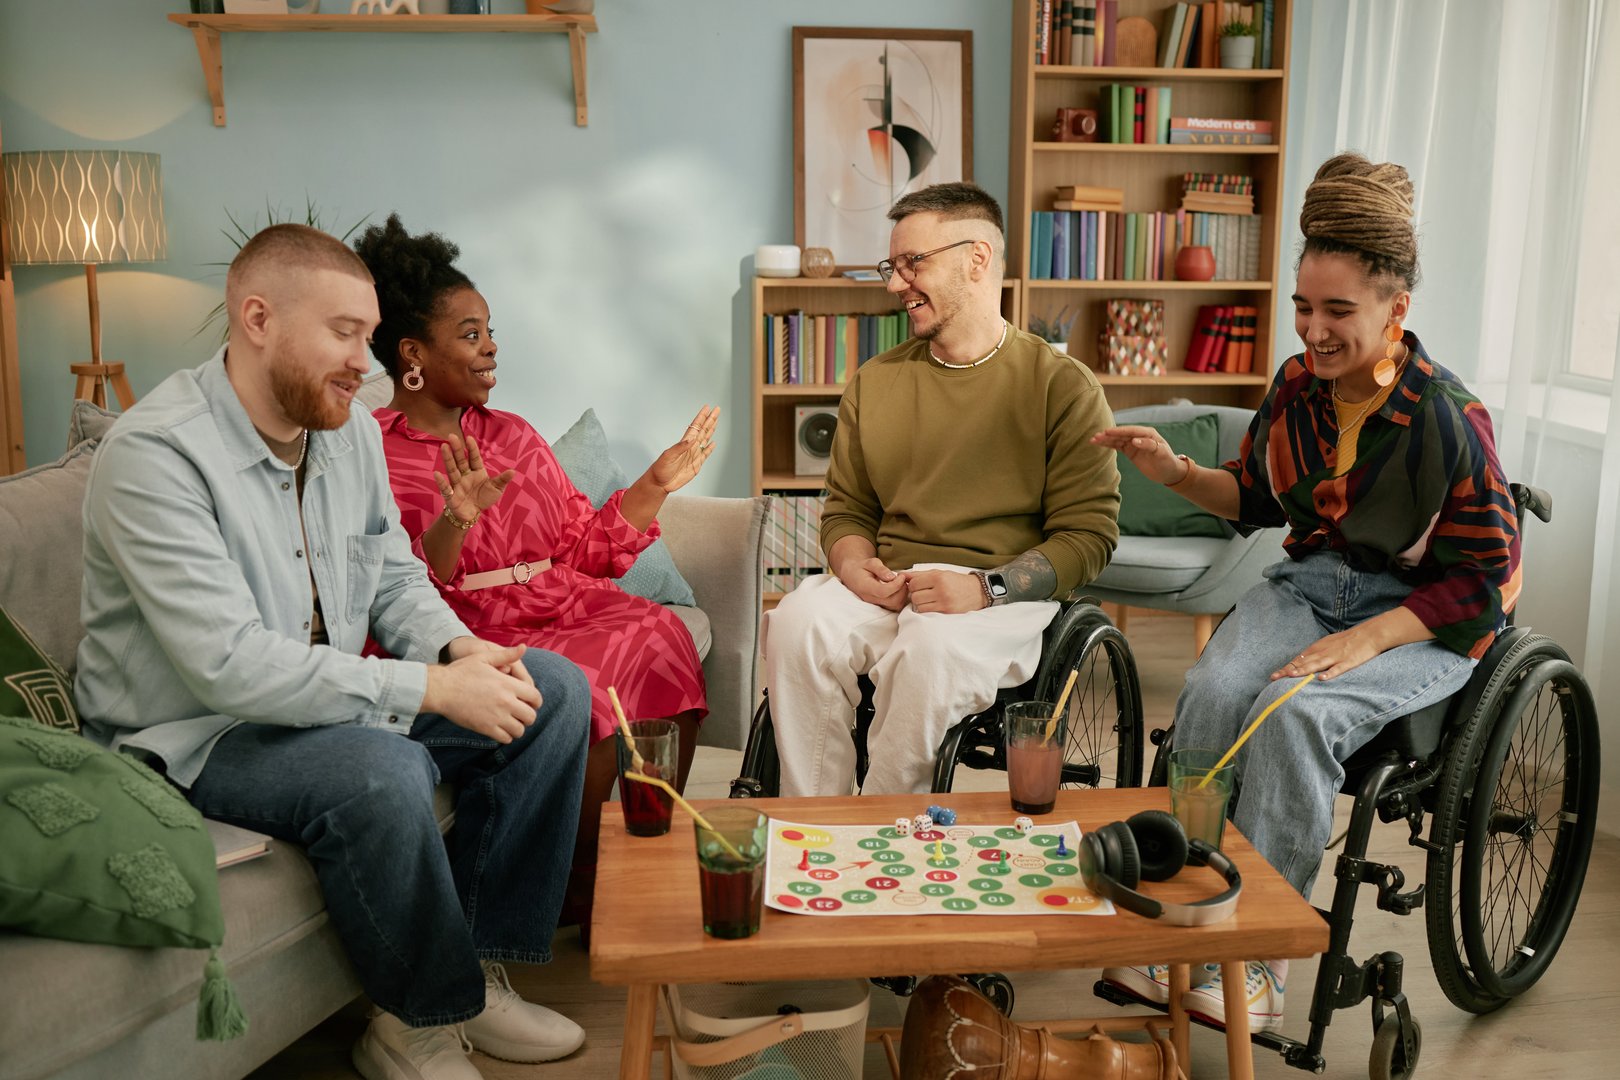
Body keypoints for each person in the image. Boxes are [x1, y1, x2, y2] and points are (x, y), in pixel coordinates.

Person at [75, 224, 594, 1080]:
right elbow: (231, 666)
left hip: (323, 706)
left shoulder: (344, 430)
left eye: (371, 334)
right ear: (258, 319)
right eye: (345, 333)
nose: (367, 360)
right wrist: (430, 688)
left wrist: (463, 651)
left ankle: (477, 969)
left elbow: (392, 576)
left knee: (553, 691)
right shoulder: (156, 457)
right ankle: (416, 1022)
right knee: (379, 771)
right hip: (199, 735)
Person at [1093, 153, 1521, 1032]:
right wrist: (1176, 473)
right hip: (1313, 583)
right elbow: (1255, 498)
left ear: (1396, 308)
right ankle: (1183, 920)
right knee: (1212, 692)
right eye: (1303, 307)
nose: (1314, 330)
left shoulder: (1448, 416)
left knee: (1293, 714)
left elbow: (1485, 582)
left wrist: (1366, 639)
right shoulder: (1297, 386)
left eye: (1337, 311)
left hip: (1424, 615)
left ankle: (1258, 961)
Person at [352, 215, 714, 928]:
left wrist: (655, 483)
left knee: (659, 633)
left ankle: (642, 851)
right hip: (468, 627)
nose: (490, 348)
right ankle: (572, 884)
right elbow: (402, 587)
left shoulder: (513, 434)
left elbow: (585, 548)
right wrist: (457, 517)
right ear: (412, 353)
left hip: (559, 602)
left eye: (490, 332)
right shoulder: (369, 450)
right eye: (470, 334)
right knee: (584, 680)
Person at [764, 181, 1122, 797]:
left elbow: (1088, 537)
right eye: (892, 266)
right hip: (890, 584)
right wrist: (851, 565)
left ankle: (884, 826)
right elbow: (848, 509)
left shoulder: (1062, 386)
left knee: (928, 649)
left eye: (913, 263)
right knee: (796, 622)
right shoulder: (875, 382)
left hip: (997, 596)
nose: (895, 284)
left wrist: (984, 587)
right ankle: (816, 819)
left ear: (977, 258)